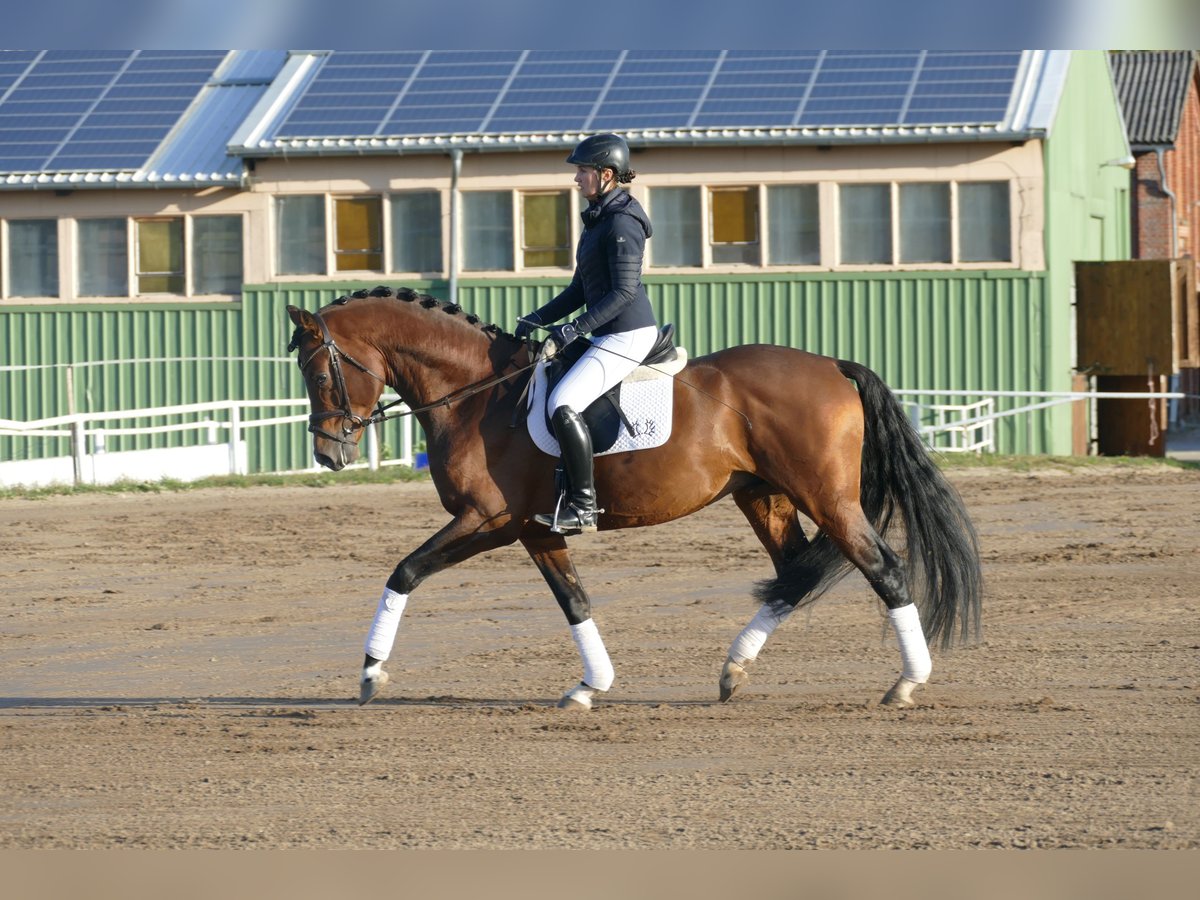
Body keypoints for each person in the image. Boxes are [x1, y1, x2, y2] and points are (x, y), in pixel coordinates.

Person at [515, 133, 659, 535]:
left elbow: (624, 292)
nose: (576, 178)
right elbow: (580, 290)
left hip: (626, 335)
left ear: (606, 175)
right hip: (605, 333)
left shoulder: (621, 223)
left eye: (582, 171)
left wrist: (574, 329)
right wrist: (538, 318)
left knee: (563, 402)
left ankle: (583, 506)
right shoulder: (597, 219)